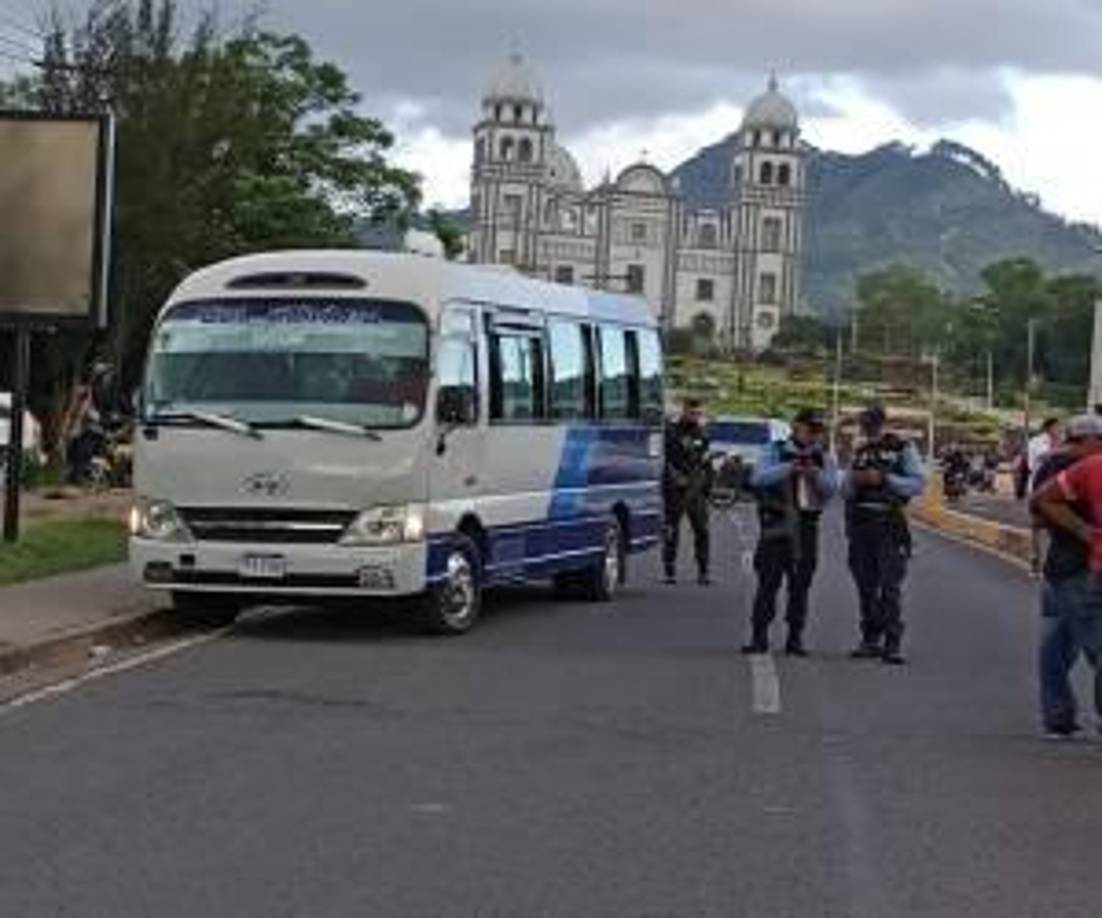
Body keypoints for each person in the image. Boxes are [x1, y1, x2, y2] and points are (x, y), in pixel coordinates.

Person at [742, 408, 838, 656]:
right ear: (796, 427)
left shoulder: (823, 457)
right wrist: (790, 468)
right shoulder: (774, 450)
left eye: (818, 432)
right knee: (767, 583)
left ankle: (795, 638)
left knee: (800, 586)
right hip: (776, 524)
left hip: (806, 527)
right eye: (810, 430)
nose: (814, 436)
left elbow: (831, 490)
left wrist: (815, 475)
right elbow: (758, 478)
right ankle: (759, 637)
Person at [1028, 415, 1102, 738]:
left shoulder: (1050, 464)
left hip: (1059, 563)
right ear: (1090, 440)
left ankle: (1057, 715)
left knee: (1055, 644)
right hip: (1079, 566)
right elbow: (1041, 508)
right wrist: (1084, 531)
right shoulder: (1078, 467)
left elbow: (1036, 515)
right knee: (1091, 645)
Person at [842, 405, 927, 665]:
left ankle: (892, 642)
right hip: (860, 524)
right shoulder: (860, 451)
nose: (867, 429)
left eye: (870, 424)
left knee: (890, 587)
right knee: (865, 586)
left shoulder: (902, 448)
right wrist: (856, 479)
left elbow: (918, 483)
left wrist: (884, 479)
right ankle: (870, 638)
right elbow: (845, 491)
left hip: (889, 524)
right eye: (864, 424)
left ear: (880, 423)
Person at [662, 398, 712, 585]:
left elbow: (705, 462)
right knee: (671, 528)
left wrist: (707, 488)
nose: (695, 416)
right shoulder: (671, 432)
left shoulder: (703, 434)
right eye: (692, 413)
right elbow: (664, 459)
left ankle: (703, 571)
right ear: (684, 411)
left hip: (696, 487)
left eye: (698, 413)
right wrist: (673, 476)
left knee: (702, 530)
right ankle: (669, 569)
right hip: (675, 486)